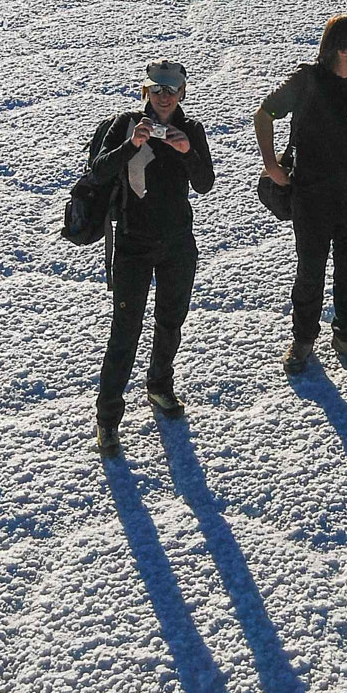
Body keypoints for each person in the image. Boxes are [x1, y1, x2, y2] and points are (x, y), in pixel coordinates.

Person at [88, 59, 214, 456]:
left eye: (171, 90)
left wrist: (186, 150)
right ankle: (108, 419)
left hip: (177, 244)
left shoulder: (190, 130)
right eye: (156, 89)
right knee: (125, 333)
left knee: (170, 322)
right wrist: (133, 145)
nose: (163, 97)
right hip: (132, 245)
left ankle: (160, 385)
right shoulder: (126, 124)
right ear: (145, 91)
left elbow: (205, 183)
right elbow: (98, 171)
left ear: (182, 94)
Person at [256, 15, 347, 374]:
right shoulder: (307, 80)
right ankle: (303, 339)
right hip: (311, 194)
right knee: (310, 270)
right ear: (341, 50)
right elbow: (264, 114)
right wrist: (271, 165)